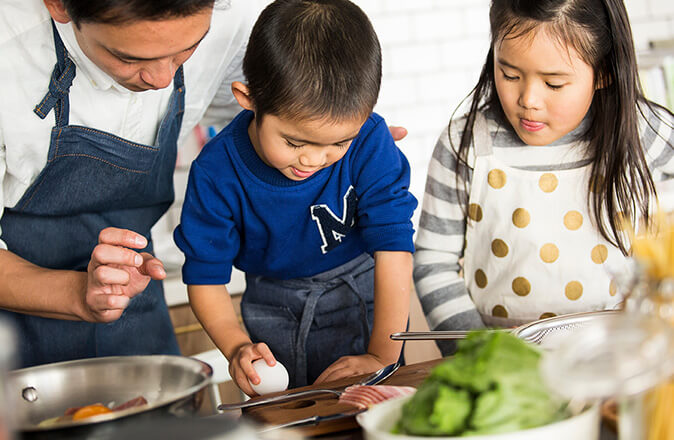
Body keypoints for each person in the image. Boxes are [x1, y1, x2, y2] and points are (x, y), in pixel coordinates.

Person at [174, 0, 417, 394]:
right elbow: (204, 276)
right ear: (248, 98)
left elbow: (394, 250)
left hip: (369, 304)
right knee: (289, 418)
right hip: (274, 311)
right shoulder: (217, 172)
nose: (314, 160)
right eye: (294, 141)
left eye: (339, 142)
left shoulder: (371, 141)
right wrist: (236, 347)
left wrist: (382, 356)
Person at [0, 0, 259, 367]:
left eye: (186, 50)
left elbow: (251, 126)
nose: (162, 80)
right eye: (129, 58)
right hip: (13, 324)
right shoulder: (8, 47)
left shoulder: (234, 17)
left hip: (136, 298)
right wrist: (79, 294)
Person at [413, 0, 674, 355]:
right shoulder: (468, 144)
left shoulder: (642, 131)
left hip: (620, 356)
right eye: (509, 75)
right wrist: (478, 353)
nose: (528, 100)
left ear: (604, 72)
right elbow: (433, 260)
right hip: (504, 365)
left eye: (553, 83)